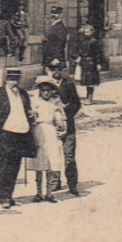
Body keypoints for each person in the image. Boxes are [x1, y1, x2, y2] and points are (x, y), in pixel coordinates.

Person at [0, 71, 36, 208]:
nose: (14, 82)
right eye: (11, 79)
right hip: (5, 134)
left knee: (15, 165)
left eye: (16, 79)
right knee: (5, 166)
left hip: (21, 134)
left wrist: (31, 115)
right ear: (6, 79)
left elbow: (27, 110)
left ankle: (9, 195)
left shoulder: (23, 94)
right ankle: (3, 197)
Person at [27, 77, 68, 202]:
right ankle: (39, 192)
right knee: (39, 164)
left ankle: (49, 193)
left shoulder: (54, 104)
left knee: (51, 163)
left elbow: (61, 121)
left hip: (50, 133)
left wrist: (61, 127)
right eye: (43, 90)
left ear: (52, 92)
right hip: (38, 132)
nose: (45, 93)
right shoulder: (34, 103)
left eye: (48, 90)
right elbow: (30, 118)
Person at [51, 59, 84, 196]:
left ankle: (72, 184)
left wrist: (66, 112)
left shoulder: (69, 84)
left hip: (68, 126)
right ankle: (54, 182)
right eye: (53, 69)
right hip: (51, 126)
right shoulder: (46, 85)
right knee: (53, 156)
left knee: (69, 155)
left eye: (59, 69)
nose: (56, 71)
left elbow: (76, 104)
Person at [76, 23, 102, 102]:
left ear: (92, 32)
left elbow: (98, 53)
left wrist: (98, 63)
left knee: (91, 81)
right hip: (84, 62)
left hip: (91, 62)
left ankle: (89, 98)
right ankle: (87, 97)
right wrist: (79, 57)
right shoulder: (83, 41)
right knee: (86, 81)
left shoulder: (94, 41)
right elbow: (81, 51)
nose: (86, 34)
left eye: (88, 32)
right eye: (85, 32)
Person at [43, 5, 70, 70]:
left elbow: (60, 44)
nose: (53, 15)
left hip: (55, 58)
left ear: (60, 15)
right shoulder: (52, 26)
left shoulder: (61, 28)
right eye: (52, 13)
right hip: (49, 56)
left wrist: (56, 58)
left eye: (56, 13)